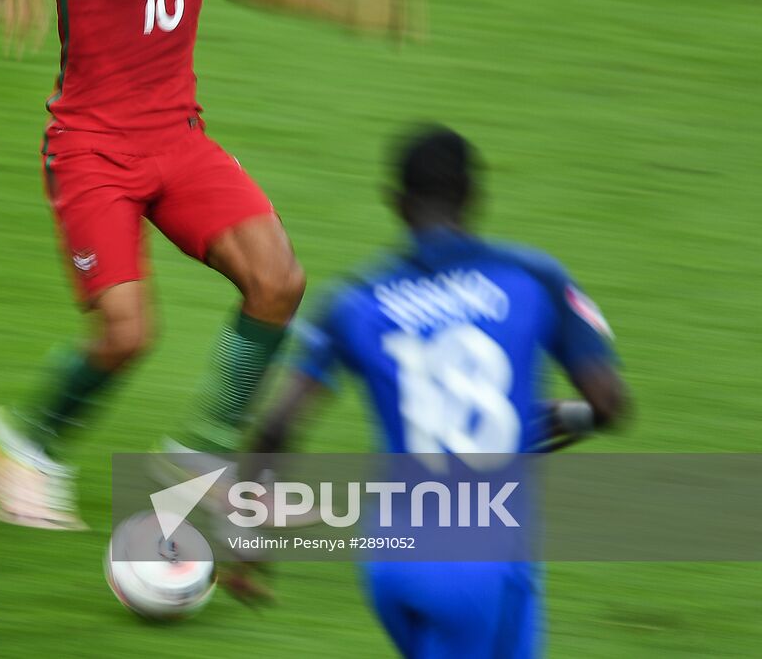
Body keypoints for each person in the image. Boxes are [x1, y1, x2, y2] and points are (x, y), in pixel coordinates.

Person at [0, 0, 423, 529]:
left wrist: (343, 4)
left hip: (177, 140)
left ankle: (199, 456)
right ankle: (25, 440)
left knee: (277, 280)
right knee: (127, 335)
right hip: (91, 150)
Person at [234, 125, 629, 656]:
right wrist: (575, 417)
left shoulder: (354, 300)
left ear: (394, 203)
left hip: (389, 560)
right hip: (483, 563)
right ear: (474, 196)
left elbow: (278, 423)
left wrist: (248, 537)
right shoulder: (534, 277)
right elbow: (610, 403)